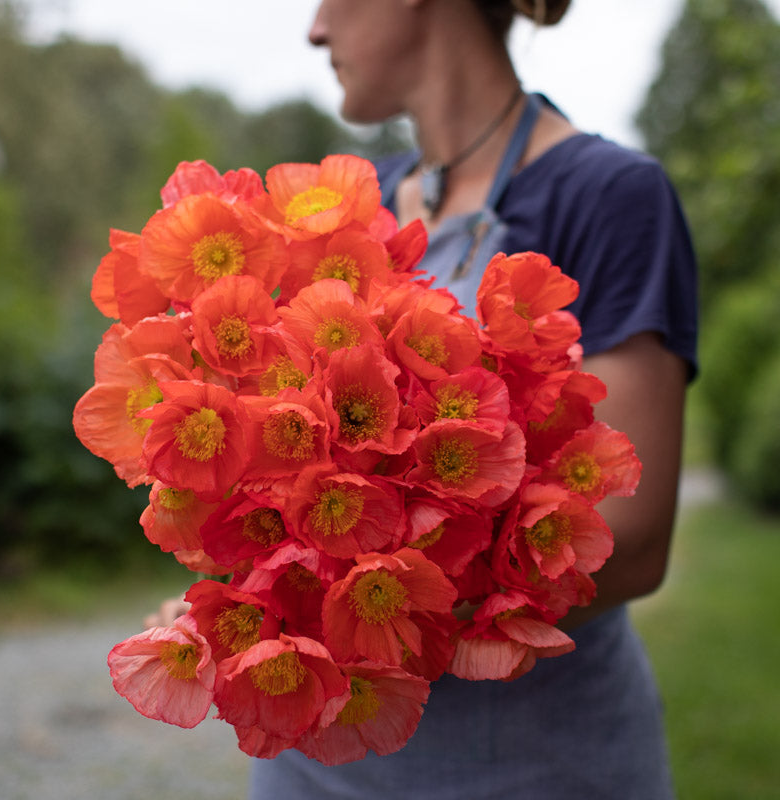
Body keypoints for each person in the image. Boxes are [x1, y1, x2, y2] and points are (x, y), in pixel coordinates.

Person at [247, 0, 697, 798]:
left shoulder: (608, 196)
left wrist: (336, 624)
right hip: (310, 764)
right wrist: (240, 608)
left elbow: (628, 544)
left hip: (525, 765)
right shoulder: (344, 208)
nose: (315, 28)